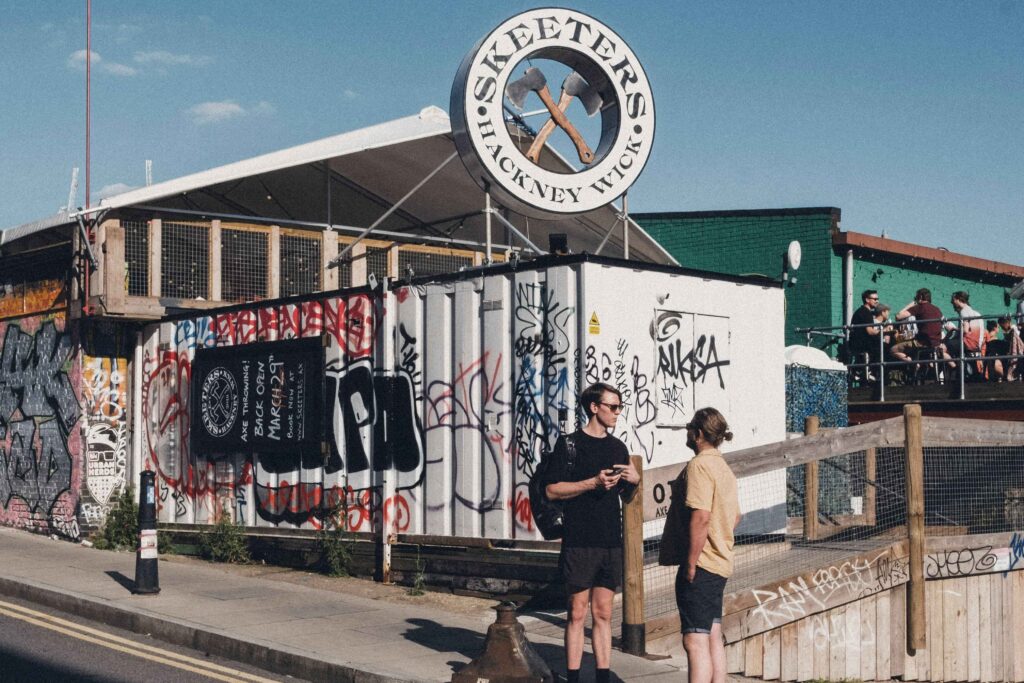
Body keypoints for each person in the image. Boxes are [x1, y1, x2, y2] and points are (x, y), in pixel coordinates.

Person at [545, 382, 639, 683]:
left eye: (619, 407)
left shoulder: (618, 447)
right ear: (594, 407)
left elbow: (626, 496)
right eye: (612, 407)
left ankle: (602, 677)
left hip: (611, 541)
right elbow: (552, 490)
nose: (617, 413)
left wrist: (634, 480)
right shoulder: (569, 445)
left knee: (603, 615)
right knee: (576, 612)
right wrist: (592, 483)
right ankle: (572, 677)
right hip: (580, 540)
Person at [676, 407, 740, 683]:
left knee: (695, 641)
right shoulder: (723, 468)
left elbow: (701, 517)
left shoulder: (700, 465)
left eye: (691, 428)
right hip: (721, 562)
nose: (688, 433)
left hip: (702, 565)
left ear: (698, 433)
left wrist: (691, 562)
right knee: (712, 636)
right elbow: (736, 516)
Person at [891, 288, 950, 372]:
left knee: (893, 350)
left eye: (916, 297)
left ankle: (914, 363)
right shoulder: (937, 309)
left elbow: (898, 316)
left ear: (920, 297)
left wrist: (911, 304)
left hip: (922, 343)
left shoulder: (919, 307)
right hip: (935, 343)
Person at [848, 290, 881, 378]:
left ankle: (860, 370)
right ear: (867, 300)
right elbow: (870, 331)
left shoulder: (861, 311)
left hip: (855, 342)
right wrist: (883, 330)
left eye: (877, 299)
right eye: (875, 299)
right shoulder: (866, 313)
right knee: (882, 346)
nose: (877, 301)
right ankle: (872, 372)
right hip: (861, 343)